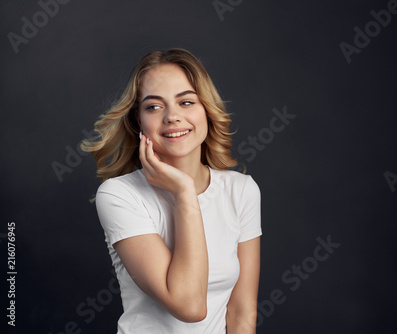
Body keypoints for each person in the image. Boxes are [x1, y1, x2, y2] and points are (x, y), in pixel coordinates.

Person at [81, 48, 262, 333]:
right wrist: (184, 193)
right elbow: (189, 306)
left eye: (187, 102)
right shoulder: (118, 195)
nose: (172, 117)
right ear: (137, 121)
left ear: (206, 110)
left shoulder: (241, 190)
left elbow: (242, 313)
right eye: (153, 106)